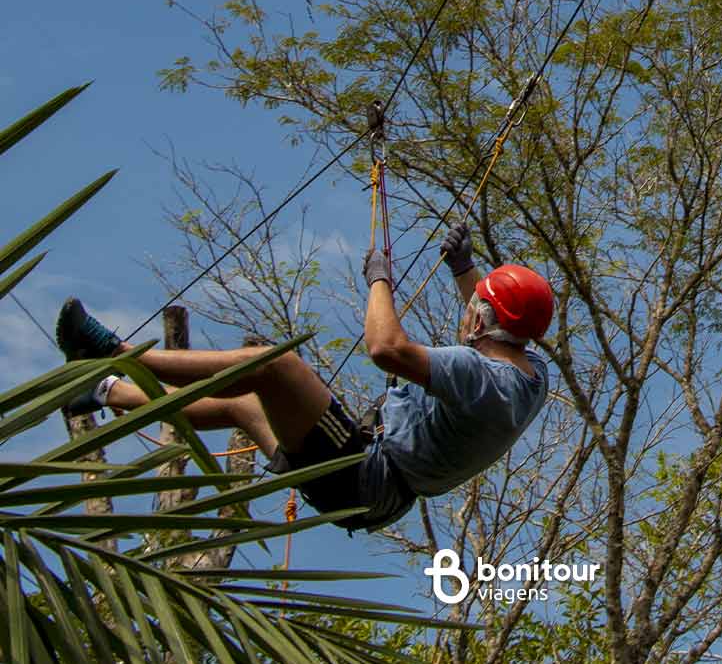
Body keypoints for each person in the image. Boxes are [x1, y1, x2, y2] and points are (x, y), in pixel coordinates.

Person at [56, 225, 553, 533]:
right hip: (373, 493)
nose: (469, 311)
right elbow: (488, 326)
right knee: (244, 404)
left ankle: (111, 352)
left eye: (476, 305)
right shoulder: (531, 378)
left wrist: (379, 278)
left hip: (364, 475)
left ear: (483, 321)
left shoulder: (475, 373)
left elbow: (385, 348)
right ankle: (102, 394)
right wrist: (466, 270)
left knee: (276, 365)